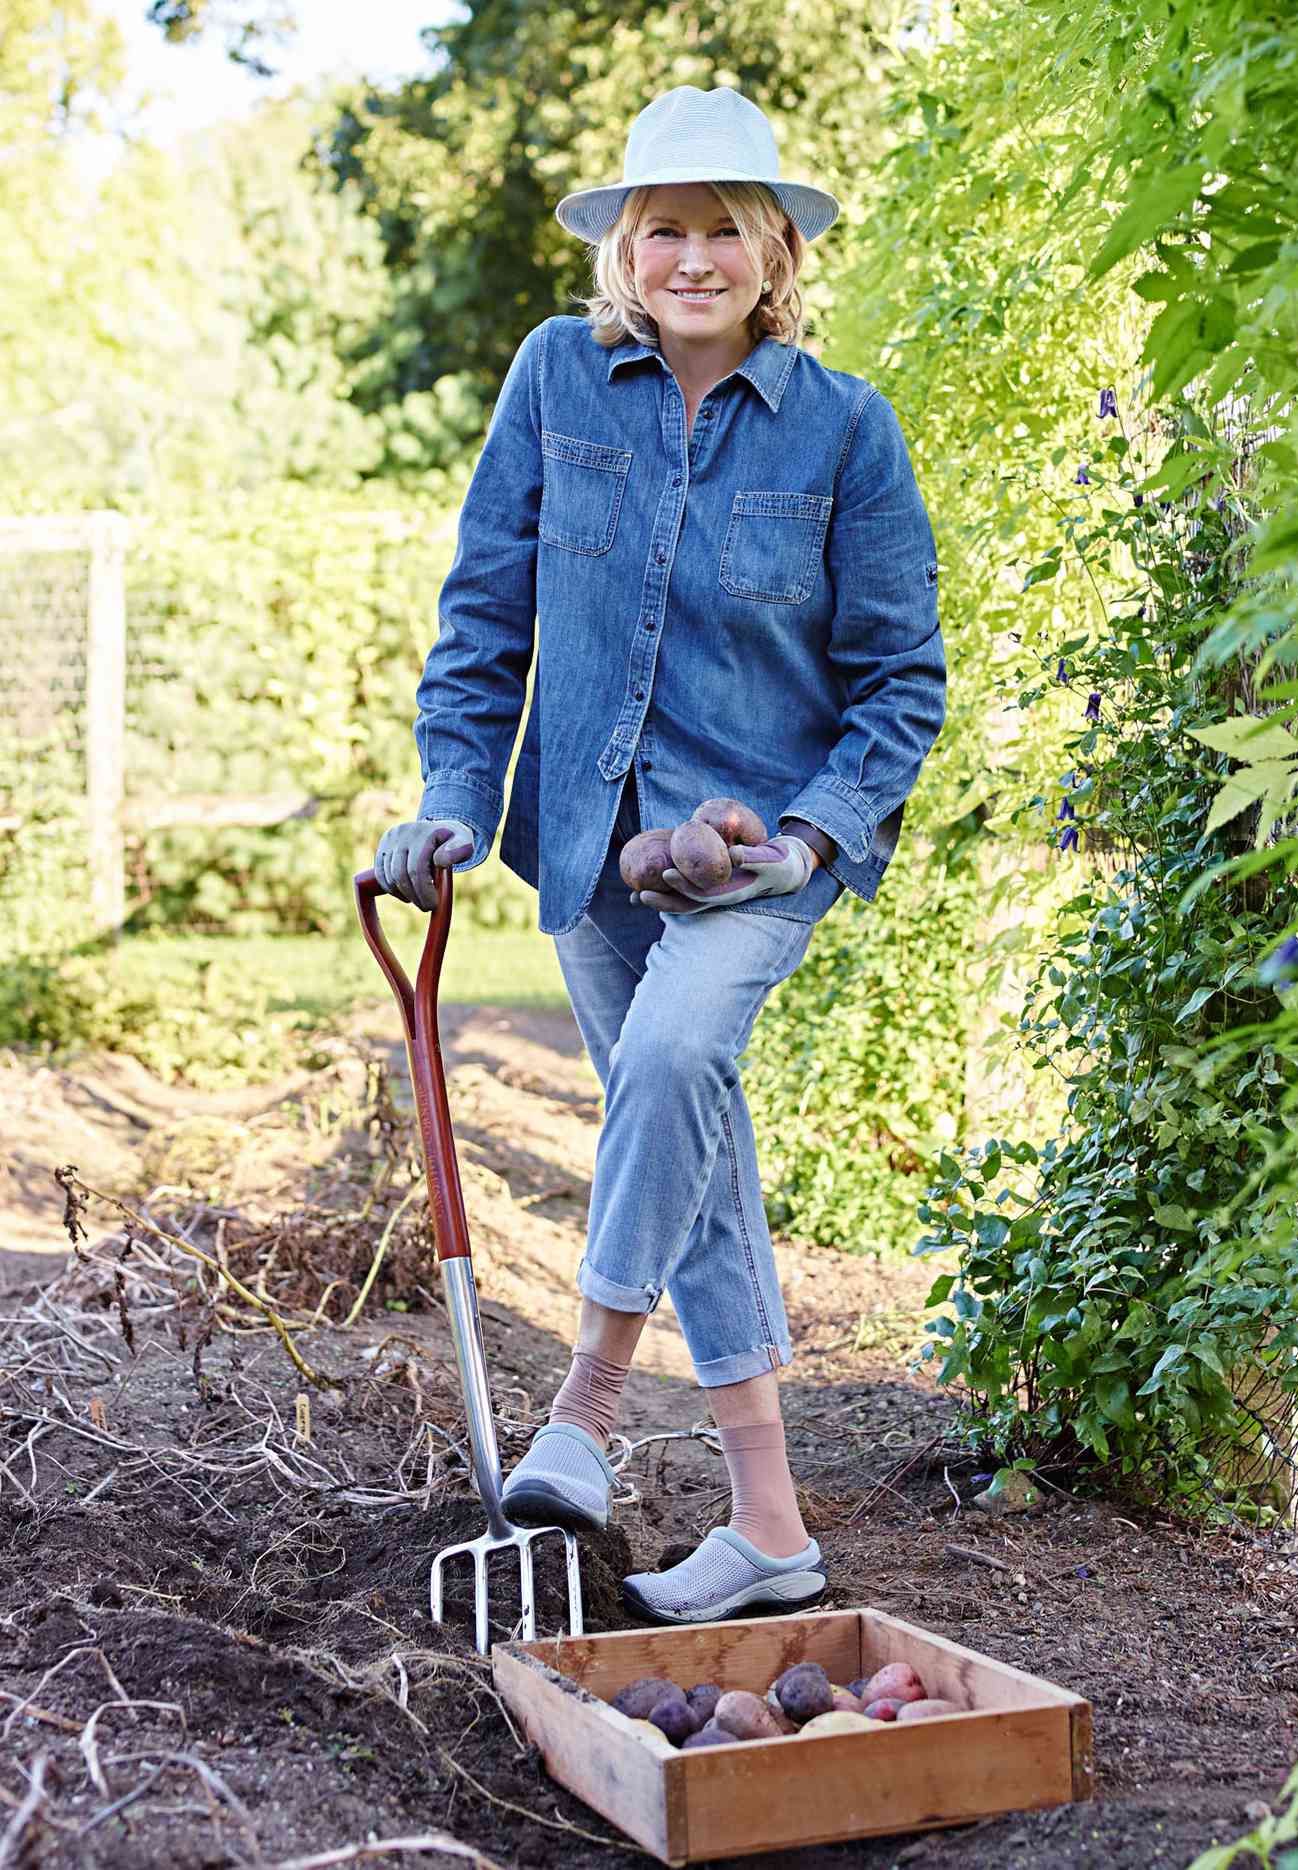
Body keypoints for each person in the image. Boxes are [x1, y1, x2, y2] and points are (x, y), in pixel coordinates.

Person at [374, 84, 945, 1625]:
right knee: (693, 1144)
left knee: (680, 1055)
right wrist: (446, 796)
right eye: (665, 228)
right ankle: (771, 1523)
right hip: (589, 843)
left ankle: (585, 1407)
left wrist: (815, 830)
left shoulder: (846, 428)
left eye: (725, 230)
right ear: (627, 251)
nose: (695, 256)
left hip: (763, 853)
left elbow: (903, 681)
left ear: (775, 251)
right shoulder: (558, 378)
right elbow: (483, 621)